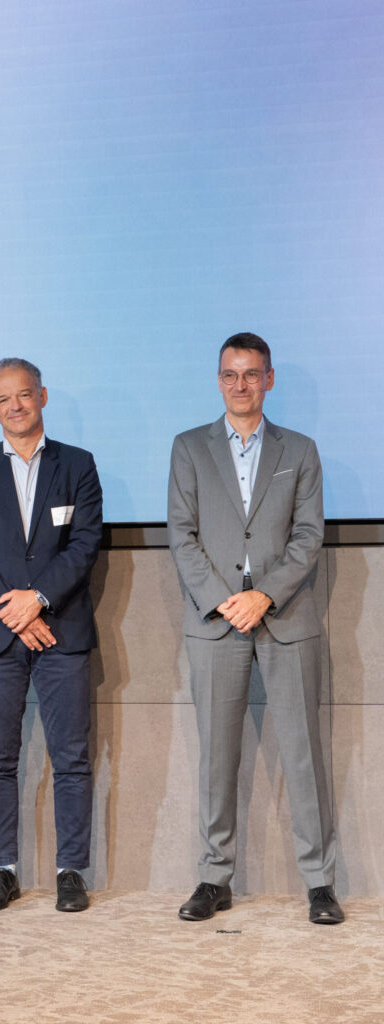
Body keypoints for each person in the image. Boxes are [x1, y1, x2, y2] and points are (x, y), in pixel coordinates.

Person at [168, 332, 342, 924]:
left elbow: (309, 536)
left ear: (269, 379)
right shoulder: (189, 447)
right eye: (229, 374)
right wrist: (226, 601)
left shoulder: (301, 449)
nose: (239, 384)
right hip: (215, 623)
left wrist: (264, 595)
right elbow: (182, 535)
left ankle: (319, 883)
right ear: (218, 381)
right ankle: (214, 878)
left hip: (285, 617)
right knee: (216, 758)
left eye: (250, 374)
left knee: (304, 754)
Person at [0, 357, 102, 912]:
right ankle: (3, 870)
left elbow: (84, 544)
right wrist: (14, 609)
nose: (15, 405)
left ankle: (71, 871)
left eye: (23, 394)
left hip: (62, 628)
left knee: (72, 757)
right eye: (3, 399)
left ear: (42, 396)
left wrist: (37, 599)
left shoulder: (78, 464)